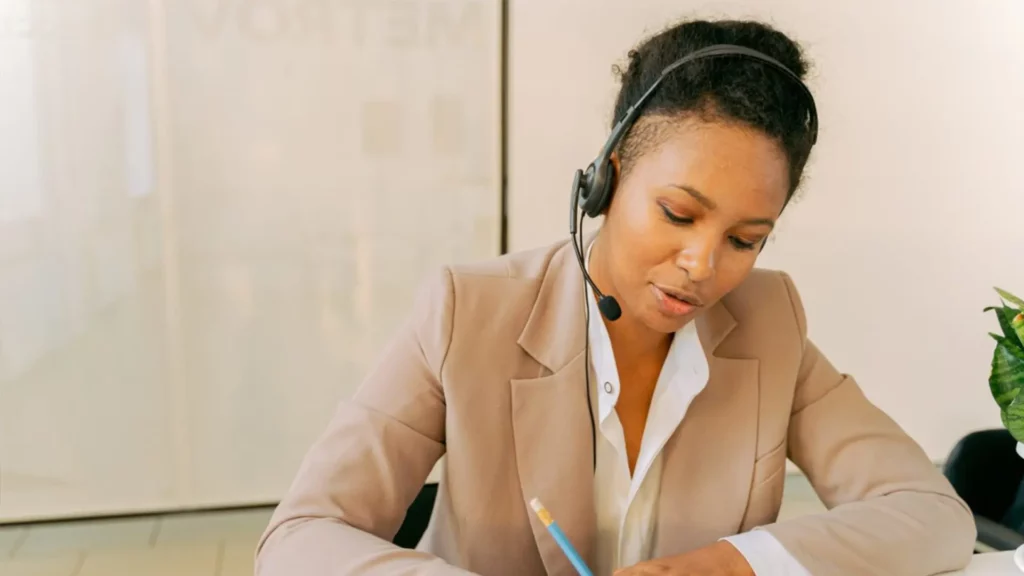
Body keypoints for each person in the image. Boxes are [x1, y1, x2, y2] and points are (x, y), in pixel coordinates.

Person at [255, 18, 975, 576]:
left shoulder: (769, 323)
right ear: (607, 177)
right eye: (678, 214)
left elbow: (932, 514)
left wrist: (731, 563)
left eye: (745, 239)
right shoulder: (466, 312)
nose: (702, 266)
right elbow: (297, 538)